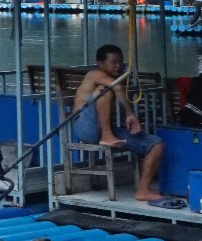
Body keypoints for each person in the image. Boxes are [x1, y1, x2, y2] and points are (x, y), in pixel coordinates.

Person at [71, 43, 171, 204]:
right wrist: (130, 113)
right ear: (101, 63)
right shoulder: (94, 74)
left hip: (105, 127)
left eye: (121, 62)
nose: (118, 65)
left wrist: (130, 116)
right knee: (105, 90)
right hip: (85, 127)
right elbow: (115, 87)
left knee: (156, 144)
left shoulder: (114, 79)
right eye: (114, 62)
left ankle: (143, 190)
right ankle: (107, 136)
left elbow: (118, 90)